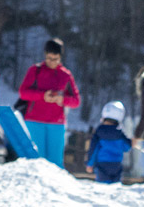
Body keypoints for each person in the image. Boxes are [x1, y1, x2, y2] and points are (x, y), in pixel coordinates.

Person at [18, 38, 81, 168]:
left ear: (60, 57)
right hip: (34, 121)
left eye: (55, 59)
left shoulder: (66, 75)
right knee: (36, 160)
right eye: (49, 58)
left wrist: (62, 100)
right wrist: (42, 96)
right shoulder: (35, 70)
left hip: (56, 123)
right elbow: (23, 93)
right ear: (45, 55)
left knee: (56, 163)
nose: (51, 62)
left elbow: (76, 101)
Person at [86, 100, 132, 184]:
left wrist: (90, 164)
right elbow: (127, 147)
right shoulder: (120, 133)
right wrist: (131, 141)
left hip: (102, 164)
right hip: (116, 164)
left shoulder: (99, 132)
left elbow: (93, 149)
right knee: (115, 187)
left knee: (103, 187)